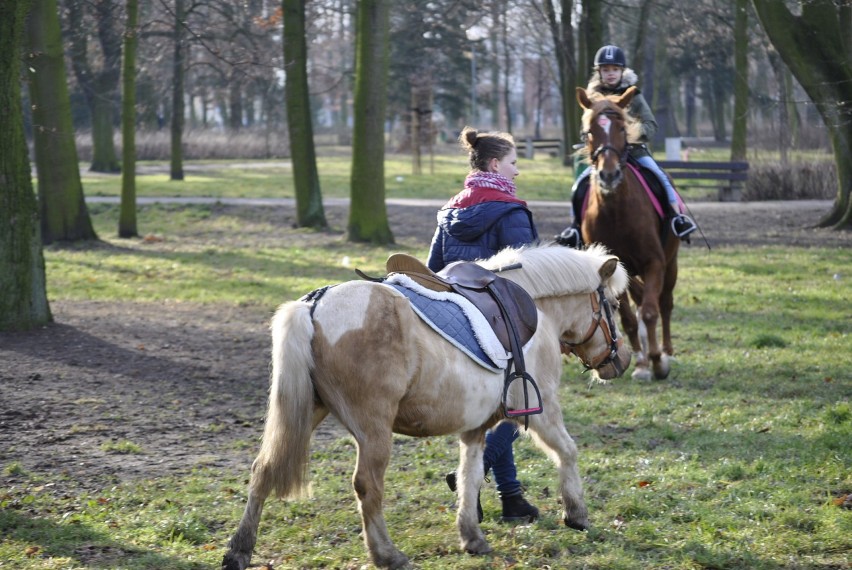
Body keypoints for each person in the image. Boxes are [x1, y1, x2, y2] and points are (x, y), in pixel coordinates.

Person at [427, 126, 540, 523]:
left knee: (495, 409)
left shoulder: (451, 210)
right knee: (521, 405)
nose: (517, 171)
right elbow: (529, 275)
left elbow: (432, 271)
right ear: (495, 164)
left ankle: (512, 499)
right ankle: (471, 479)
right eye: (513, 162)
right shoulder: (511, 212)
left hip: (456, 327)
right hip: (504, 326)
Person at [557, 45, 697, 248]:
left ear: (622, 71)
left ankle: (677, 219)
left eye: (614, 69)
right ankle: (575, 228)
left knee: (660, 176)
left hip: (635, 151)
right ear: (599, 72)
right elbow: (585, 129)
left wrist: (630, 134)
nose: (610, 74)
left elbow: (651, 125)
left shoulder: (634, 95)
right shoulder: (592, 98)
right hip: (604, 155)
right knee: (579, 185)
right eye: (606, 70)